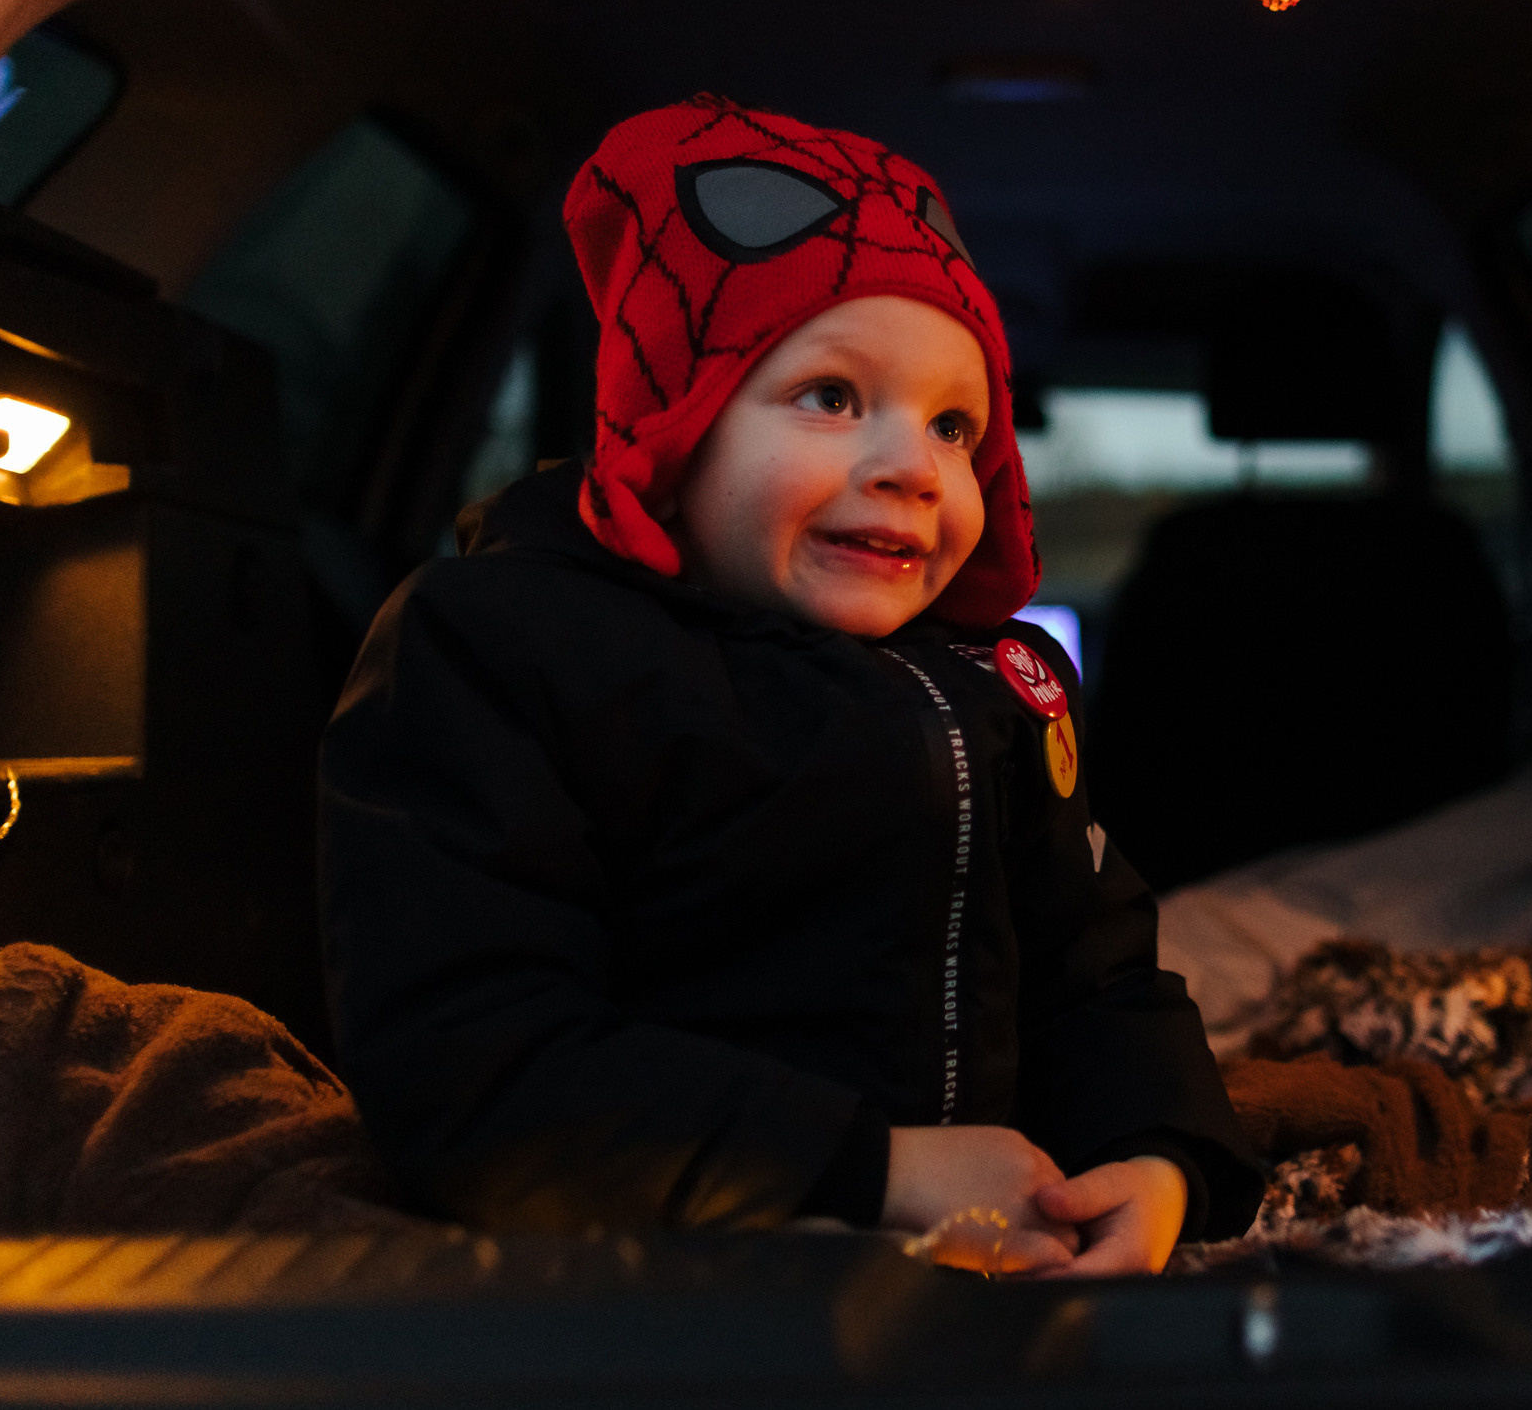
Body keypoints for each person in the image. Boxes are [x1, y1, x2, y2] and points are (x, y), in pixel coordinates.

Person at [318, 95, 1259, 1274]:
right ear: (675, 418)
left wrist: (1160, 1157)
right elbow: (469, 1050)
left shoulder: (997, 691)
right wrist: (878, 1173)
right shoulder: (501, 646)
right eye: (831, 398)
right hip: (665, 1276)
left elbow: (1095, 976)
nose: (913, 468)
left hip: (995, 1278)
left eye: (957, 427)